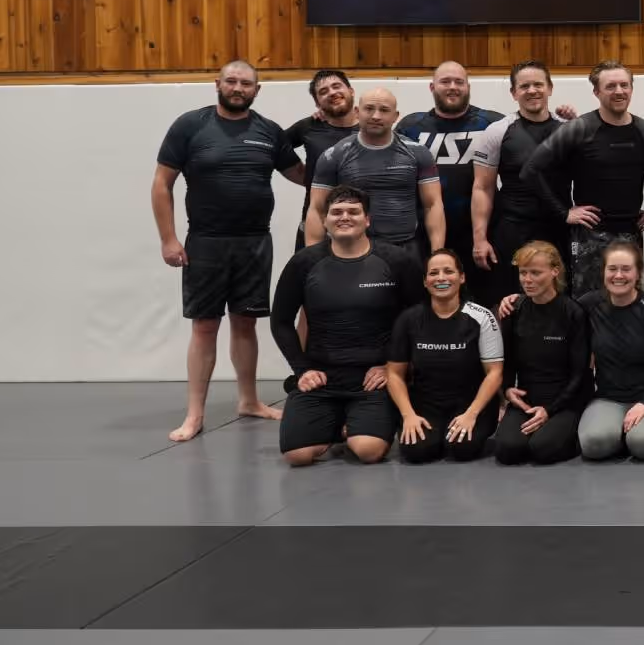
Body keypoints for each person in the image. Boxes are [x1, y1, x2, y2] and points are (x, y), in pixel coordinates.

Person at [152, 60, 305, 442]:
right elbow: (161, 184)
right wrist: (169, 239)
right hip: (206, 242)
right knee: (205, 326)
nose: (238, 88)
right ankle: (194, 414)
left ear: (257, 90)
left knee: (245, 322)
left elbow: (304, 175)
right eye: (231, 81)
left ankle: (249, 401)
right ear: (217, 84)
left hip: (255, 242)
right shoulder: (190, 126)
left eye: (246, 83)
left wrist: (328, 133)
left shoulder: (268, 131)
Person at [272, 186, 424, 465]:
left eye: (353, 212)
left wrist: (393, 367)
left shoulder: (396, 260)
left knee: (368, 451)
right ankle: (337, 427)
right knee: (297, 456)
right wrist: (302, 370)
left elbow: (419, 318)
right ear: (325, 220)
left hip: (373, 377)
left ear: (367, 220)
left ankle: (353, 427)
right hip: (322, 376)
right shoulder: (304, 262)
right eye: (337, 212)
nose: (344, 217)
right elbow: (280, 321)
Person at [522, 60, 644, 296]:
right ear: (596, 92)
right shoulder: (580, 128)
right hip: (590, 235)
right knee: (588, 303)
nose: (619, 91)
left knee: (628, 300)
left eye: (624, 85)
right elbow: (531, 171)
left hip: (631, 232)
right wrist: (564, 212)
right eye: (610, 86)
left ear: (631, 88)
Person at [387, 249, 505, 464]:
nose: (441, 278)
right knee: (417, 451)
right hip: (426, 403)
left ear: (462, 277)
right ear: (425, 282)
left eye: (448, 271)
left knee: (462, 448)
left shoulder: (482, 317)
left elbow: (494, 373)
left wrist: (471, 414)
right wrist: (408, 415)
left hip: (470, 403)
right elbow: (394, 374)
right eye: (433, 273)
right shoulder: (409, 319)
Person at [470, 60, 570, 308]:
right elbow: (482, 188)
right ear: (514, 93)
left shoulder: (569, 129)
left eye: (538, 84)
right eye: (524, 86)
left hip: (558, 230)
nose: (532, 90)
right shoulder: (498, 131)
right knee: (510, 304)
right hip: (512, 230)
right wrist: (480, 239)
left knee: (558, 303)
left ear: (550, 88)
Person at [575, 238, 644, 461]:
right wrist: (518, 301)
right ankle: (618, 432)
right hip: (609, 398)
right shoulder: (588, 305)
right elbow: (556, 311)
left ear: (638, 273)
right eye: (612, 269)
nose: (618, 275)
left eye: (626, 269)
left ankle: (636, 432)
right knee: (594, 445)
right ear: (603, 272)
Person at [306, 87, 444, 261]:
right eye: (369, 109)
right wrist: (311, 259)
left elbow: (433, 205)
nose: (376, 116)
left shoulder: (418, 153)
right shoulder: (334, 155)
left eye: (384, 110)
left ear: (395, 116)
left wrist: (438, 255)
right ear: (357, 112)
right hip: (351, 251)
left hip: (405, 249)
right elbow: (317, 210)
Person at [397, 61, 504, 277]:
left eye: (459, 82)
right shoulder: (410, 127)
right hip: (425, 234)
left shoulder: (492, 123)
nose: (452, 87)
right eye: (445, 82)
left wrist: (561, 119)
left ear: (468, 87)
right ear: (432, 87)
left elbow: (530, 139)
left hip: (483, 233)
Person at [492, 240, 593, 465]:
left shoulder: (573, 312)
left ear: (554, 271)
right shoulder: (513, 310)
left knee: (543, 449)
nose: (527, 280)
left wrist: (550, 409)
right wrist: (507, 390)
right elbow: (507, 361)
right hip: (527, 398)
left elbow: (580, 373)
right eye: (523, 272)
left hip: (565, 400)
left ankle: (571, 431)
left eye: (535, 273)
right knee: (507, 450)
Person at [285, 69, 359, 251]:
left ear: (351, 91)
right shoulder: (308, 127)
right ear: (317, 103)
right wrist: (304, 176)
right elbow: (274, 149)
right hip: (316, 225)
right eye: (323, 91)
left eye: (336, 86)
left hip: (360, 226)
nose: (332, 93)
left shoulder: (370, 127)